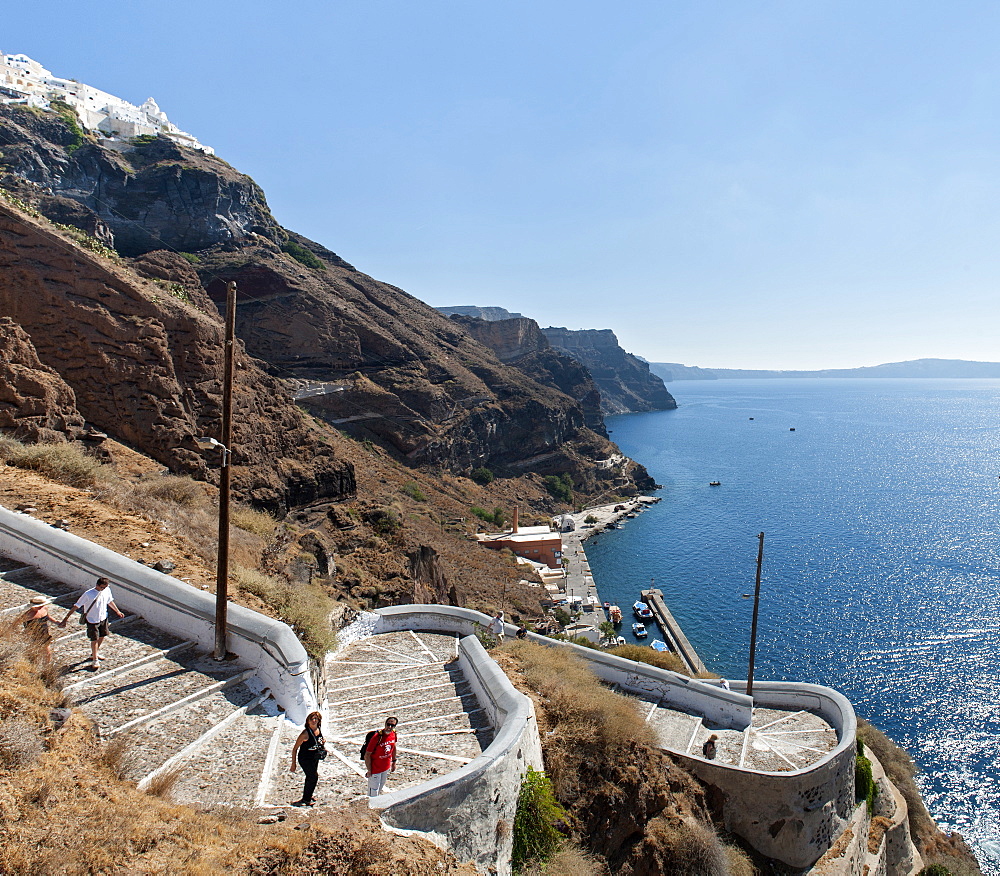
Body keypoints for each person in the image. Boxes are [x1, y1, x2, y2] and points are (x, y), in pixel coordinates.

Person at [57, 577, 125, 670]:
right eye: (102, 587)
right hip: (92, 620)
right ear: (97, 585)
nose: (103, 589)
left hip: (103, 617)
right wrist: (66, 618)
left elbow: (110, 601)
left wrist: (117, 611)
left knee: (102, 635)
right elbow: (76, 606)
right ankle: (95, 659)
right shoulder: (88, 594)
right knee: (94, 639)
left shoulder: (107, 590)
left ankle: (94, 653)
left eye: (105, 587)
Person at [290, 711, 326, 806]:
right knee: (313, 776)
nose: (314, 721)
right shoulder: (305, 734)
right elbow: (295, 749)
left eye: (316, 719)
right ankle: (306, 799)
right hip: (305, 758)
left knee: (311, 777)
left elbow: (318, 741)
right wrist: (293, 764)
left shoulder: (318, 730)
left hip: (314, 757)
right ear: (308, 721)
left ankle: (308, 795)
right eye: (312, 719)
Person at [363, 716, 398, 797]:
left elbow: (394, 747)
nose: (389, 727)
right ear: (385, 724)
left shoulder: (394, 734)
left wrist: (394, 762)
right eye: (388, 724)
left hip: (385, 768)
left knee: (380, 788)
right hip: (375, 769)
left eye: (392, 726)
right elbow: (367, 754)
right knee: (373, 792)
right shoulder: (377, 737)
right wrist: (369, 770)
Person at [20, 595, 55, 662]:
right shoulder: (28, 615)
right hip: (33, 636)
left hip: (44, 633)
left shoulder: (44, 609)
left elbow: (48, 617)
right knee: (35, 653)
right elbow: (16, 623)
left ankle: (47, 666)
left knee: (48, 653)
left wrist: (57, 622)